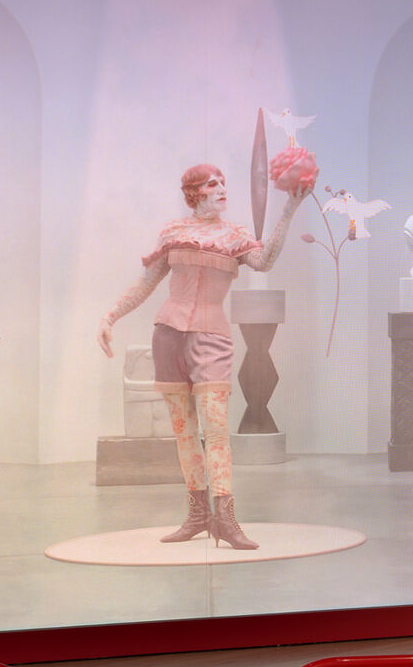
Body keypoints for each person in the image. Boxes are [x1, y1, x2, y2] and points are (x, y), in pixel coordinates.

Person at [98, 163, 309, 549]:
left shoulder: (234, 235)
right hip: (168, 337)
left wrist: (288, 210)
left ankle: (225, 518)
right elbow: (148, 282)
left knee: (215, 430)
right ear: (195, 193)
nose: (222, 188)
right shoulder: (174, 232)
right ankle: (196, 514)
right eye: (213, 184)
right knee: (183, 431)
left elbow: (264, 261)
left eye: (224, 182)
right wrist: (111, 316)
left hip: (212, 338)